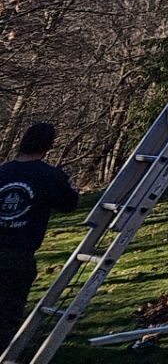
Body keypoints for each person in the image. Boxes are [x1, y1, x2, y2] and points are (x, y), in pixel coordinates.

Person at [0, 122, 79, 349]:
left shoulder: (3, 172)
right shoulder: (50, 176)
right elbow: (68, 204)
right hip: (18, 256)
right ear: (48, 146)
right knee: (7, 314)